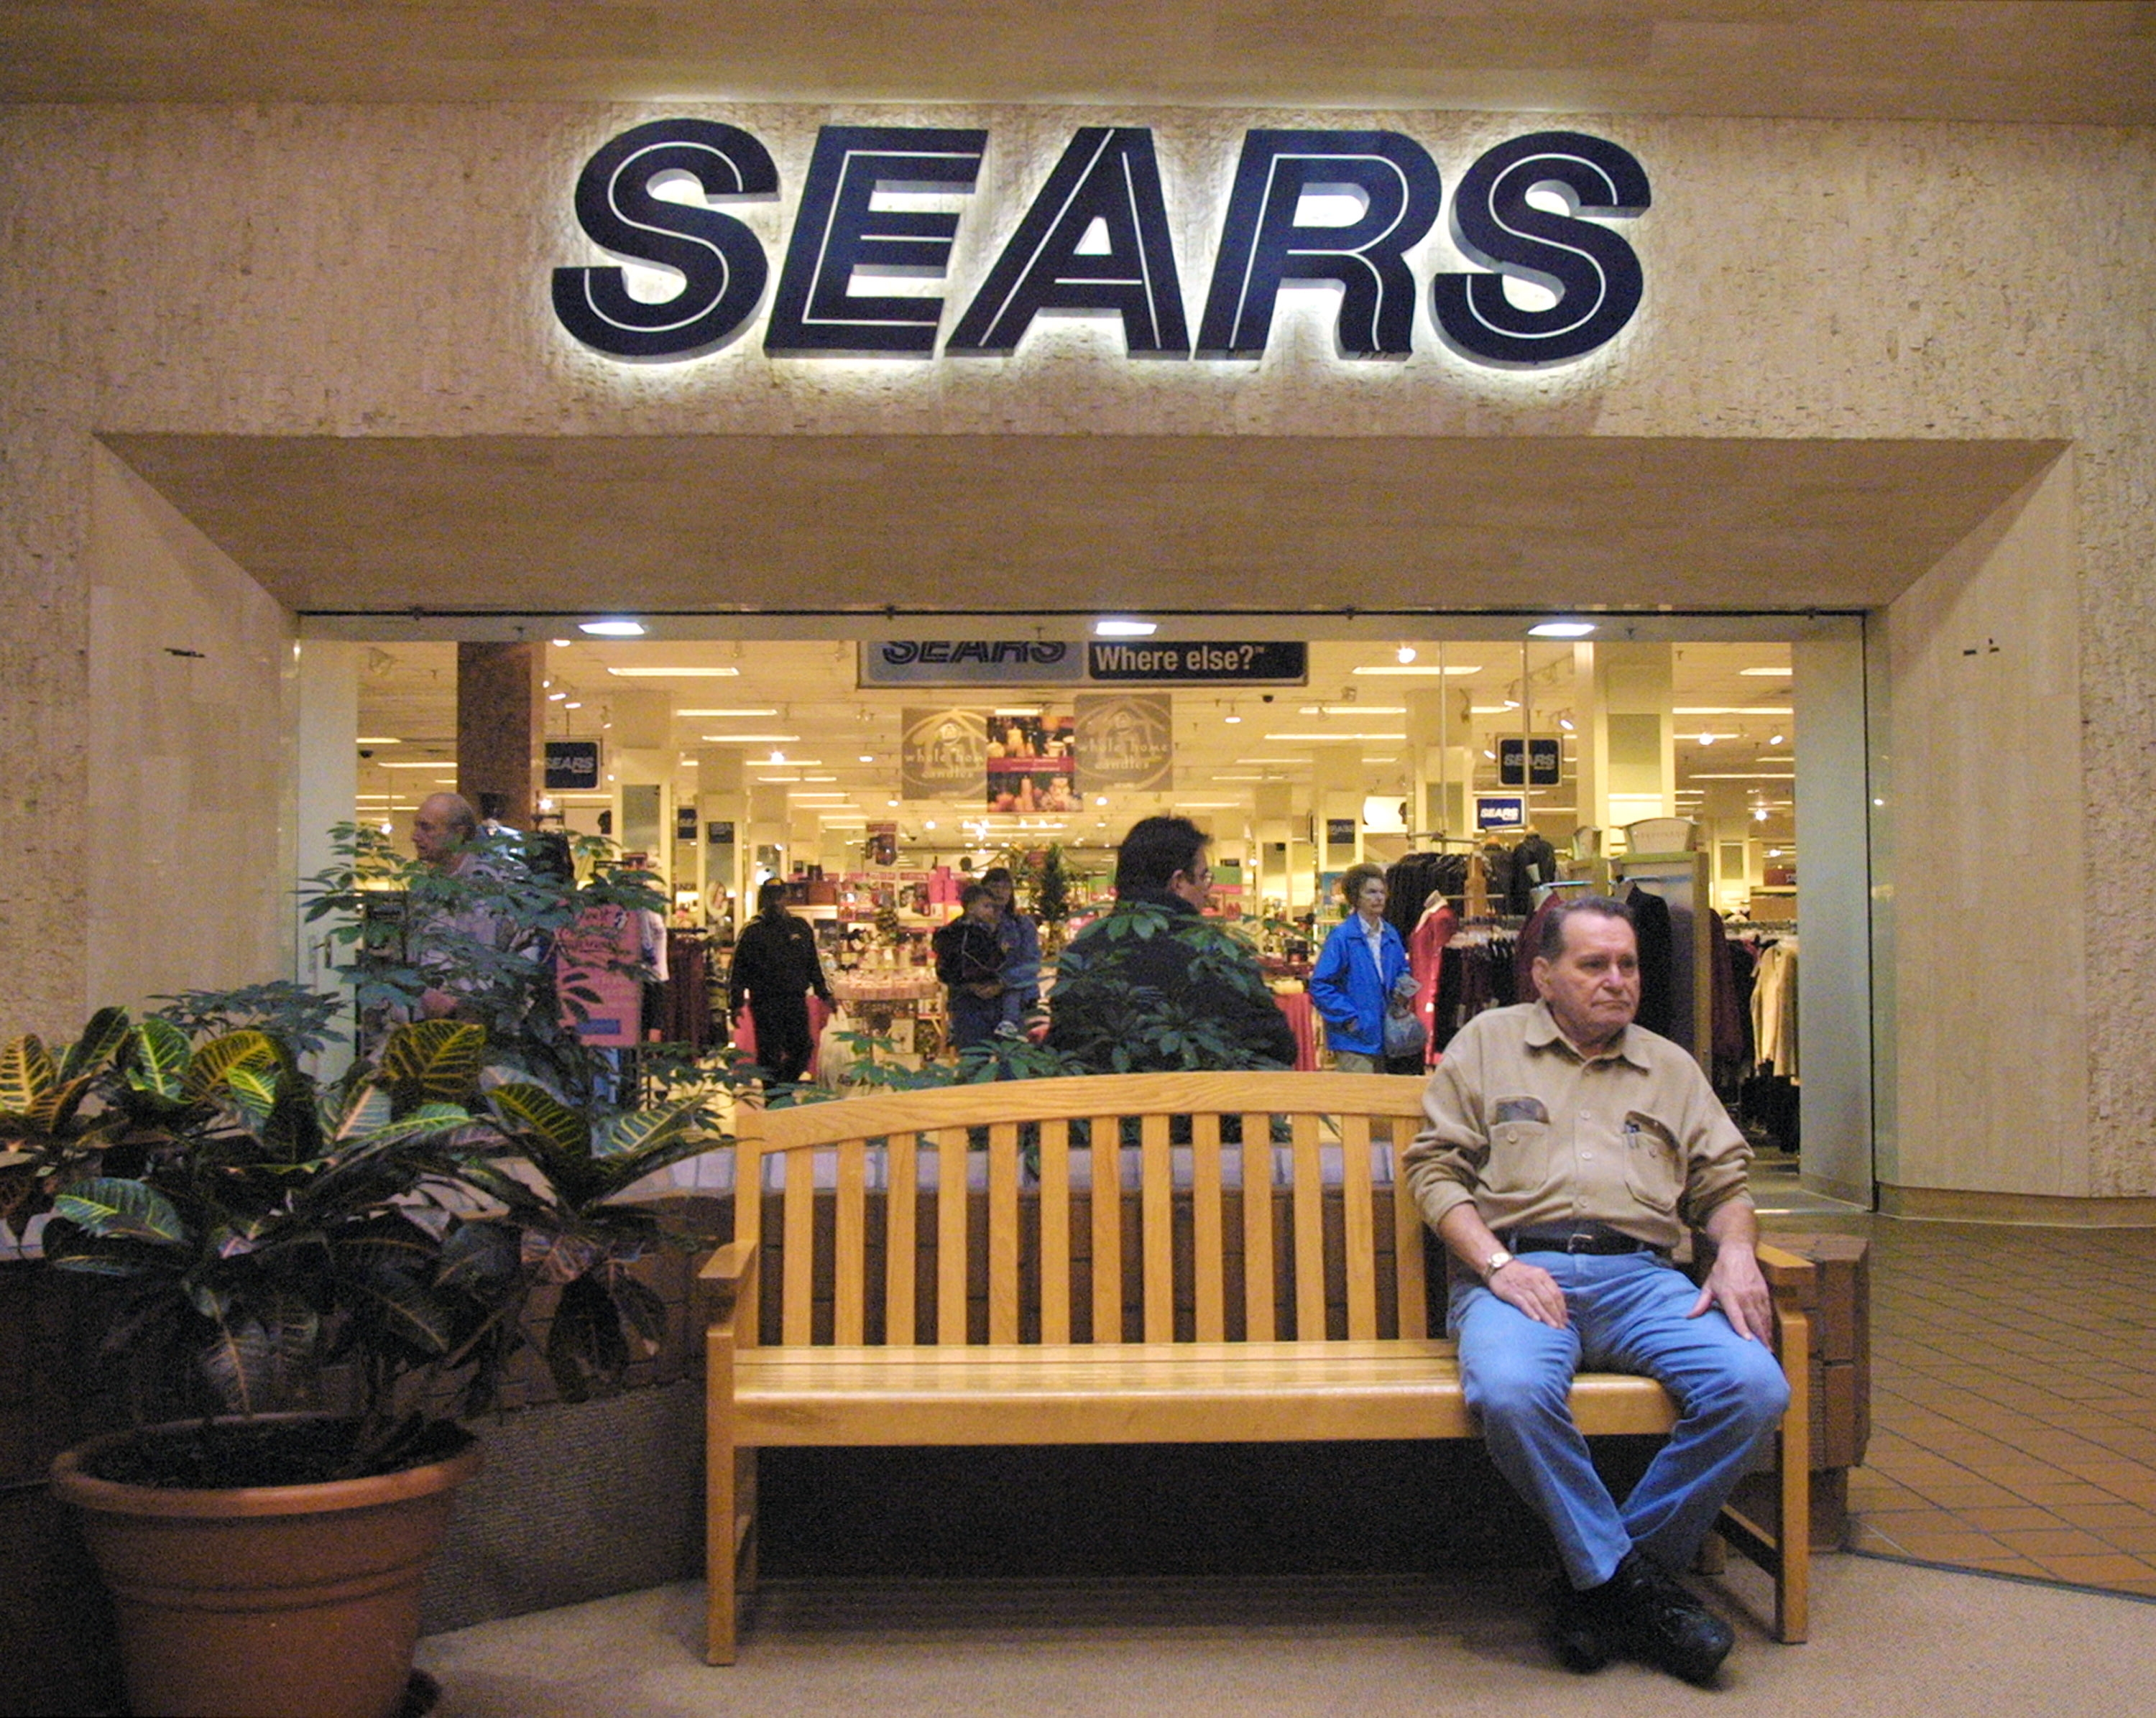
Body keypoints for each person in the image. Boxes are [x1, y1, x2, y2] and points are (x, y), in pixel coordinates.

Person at [1400, 895, 1789, 1686]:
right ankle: (1635, 1591)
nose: (1617, 981)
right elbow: (1433, 1172)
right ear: (1543, 974)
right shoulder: (1487, 1044)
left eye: (1629, 965)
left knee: (1754, 1387)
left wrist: (1739, 1254)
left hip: (1644, 1280)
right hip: (1518, 1274)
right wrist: (1499, 1267)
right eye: (1594, 964)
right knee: (1509, 1390)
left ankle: (1604, 1584)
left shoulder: (1670, 1067)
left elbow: (1725, 1184)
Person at [1044, 816, 1296, 1072]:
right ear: (1178, 883)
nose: (1207, 891)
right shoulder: (1216, 954)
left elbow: (1062, 1049)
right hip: (1206, 1106)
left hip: (1103, 1108)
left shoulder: (1083, 954)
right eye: (1203, 877)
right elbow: (1278, 1047)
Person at [726, 879, 832, 1086]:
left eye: (779, 895)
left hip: (795, 1000)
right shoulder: (752, 931)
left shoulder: (800, 927)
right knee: (769, 1055)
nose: (776, 901)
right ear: (764, 899)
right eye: (771, 896)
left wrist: (825, 993)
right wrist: (735, 1003)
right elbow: (738, 971)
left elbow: (813, 964)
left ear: (786, 897)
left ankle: (784, 1089)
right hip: (765, 1002)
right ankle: (774, 1099)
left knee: (803, 1048)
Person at [1309, 862, 1411, 1073]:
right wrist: (1350, 1019)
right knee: (1359, 1099)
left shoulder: (1390, 934)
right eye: (1371, 892)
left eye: (1382, 892)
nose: (1379, 897)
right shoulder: (1343, 937)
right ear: (1356, 897)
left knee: (1384, 1101)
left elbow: (1404, 971)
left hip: (1389, 1037)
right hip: (1353, 1041)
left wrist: (1404, 995)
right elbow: (1320, 985)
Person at [934, 883, 1010, 1051]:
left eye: (992, 907)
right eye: (986, 906)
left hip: (974, 1000)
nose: (990, 911)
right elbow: (987, 963)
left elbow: (943, 969)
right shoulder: (971, 934)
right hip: (970, 1002)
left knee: (976, 1054)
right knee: (976, 1055)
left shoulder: (953, 932)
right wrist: (1001, 955)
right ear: (971, 908)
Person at [980, 864, 1042, 1028]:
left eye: (1006, 887)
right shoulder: (970, 925)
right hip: (977, 1002)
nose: (1000, 892)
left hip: (1020, 1000)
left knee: (1015, 1049)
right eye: (994, 886)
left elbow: (1031, 964)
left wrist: (1002, 982)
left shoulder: (1022, 924)